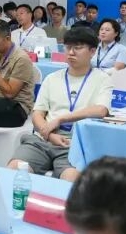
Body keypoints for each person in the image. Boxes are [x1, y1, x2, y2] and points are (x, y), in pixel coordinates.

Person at [9, 27, 112, 181]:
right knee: (14, 169)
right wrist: (49, 135)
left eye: (77, 48)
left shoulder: (103, 79)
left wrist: (61, 119)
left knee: (71, 179)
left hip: (75, 143)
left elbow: (101, 110)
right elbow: (38, 114)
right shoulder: (52, 78)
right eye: (68, 47)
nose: (71, 53)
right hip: (43, 139)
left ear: (92, 51)